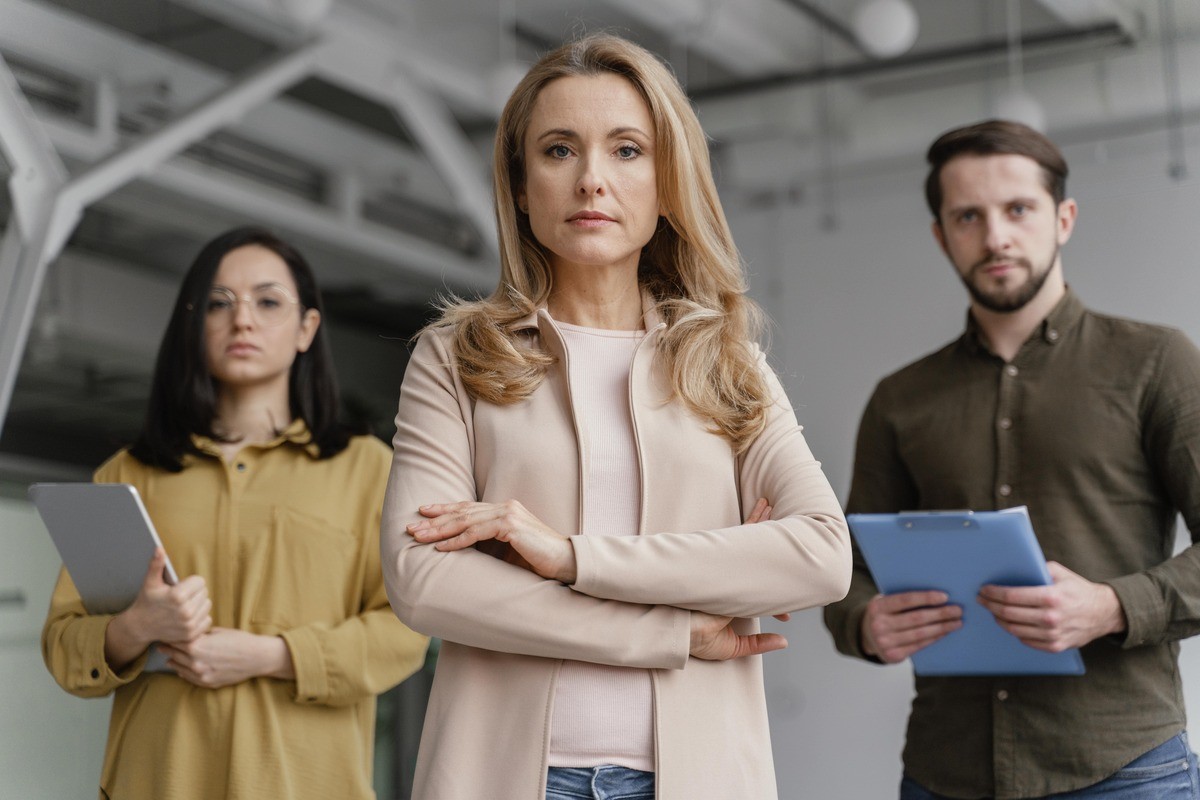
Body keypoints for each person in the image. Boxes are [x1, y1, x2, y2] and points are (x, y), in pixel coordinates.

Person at [379, 33, 851, 800]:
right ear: (522, 187)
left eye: (627, 150)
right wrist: (680, 615)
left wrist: (566, 556)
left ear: (666, 183)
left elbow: (822, 555)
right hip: (503, 779)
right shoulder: (455, 358)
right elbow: (422, 581)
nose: (592, 179)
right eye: (559, 150)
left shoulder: (727, 362)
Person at [823, 119, 1200, 799]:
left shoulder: (1157, 362)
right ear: (942, 236)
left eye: (1018, 210)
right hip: (946, 771)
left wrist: (1112, 606)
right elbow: (844, 569)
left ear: (1063, 218)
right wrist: (864, 622)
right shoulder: (899, 400)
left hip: (1124, 769)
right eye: (968, 216)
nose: (995, 236)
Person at [42, 226, 429, 799]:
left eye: (268, 301)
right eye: (219, 303)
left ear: (306, 329)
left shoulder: (368, 470)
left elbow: (406, 632)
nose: (242, 319)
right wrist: (136, 628)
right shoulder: (127, 474)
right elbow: (64, 645)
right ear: (194, 325)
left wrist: (274, 655)